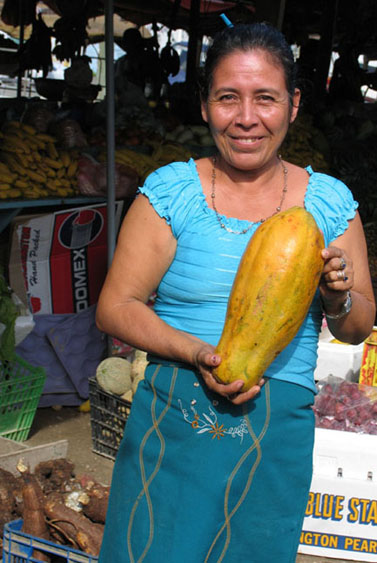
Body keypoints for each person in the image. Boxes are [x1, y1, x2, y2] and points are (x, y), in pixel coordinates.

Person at [96, 22, 375, 563]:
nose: (246, 118)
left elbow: (358, 324)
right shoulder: (171, 192)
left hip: (274, 431)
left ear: (293, 105)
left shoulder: (331, 204)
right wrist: (196, 352)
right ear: (205, 105)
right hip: (175, 416)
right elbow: (115, 306)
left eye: (265, 99)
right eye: (228, 98)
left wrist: (338, 295)